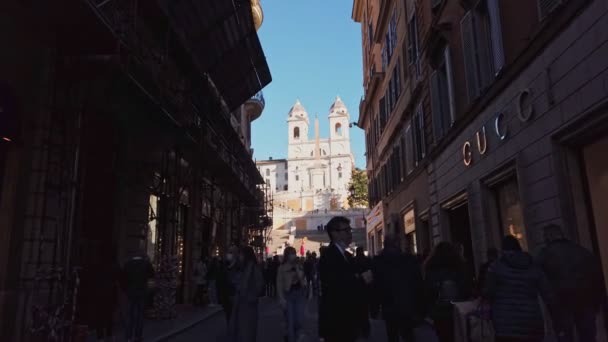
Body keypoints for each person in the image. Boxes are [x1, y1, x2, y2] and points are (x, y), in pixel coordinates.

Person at [536, 224, 604, 342]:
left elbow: (540, 280)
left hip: (561, 303)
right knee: (588, 336)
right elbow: (597, 277)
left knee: (565, 336)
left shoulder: (545, 255)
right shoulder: (582, 251)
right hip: (586, 301)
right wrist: (596, 302)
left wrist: (550, 303)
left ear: (548, 238)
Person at [484, 235, 552, 342]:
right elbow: (547, 292)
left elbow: (489, 292)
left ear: (503, 250)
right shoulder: (533, 265)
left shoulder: (496, 267)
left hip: (505, 324)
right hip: (531, 322)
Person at [319, 216, 372, 342]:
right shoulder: (328, 257)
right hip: (337, 322)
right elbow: (337, 287)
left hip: (351, 321)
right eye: (346, 230)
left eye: (350, 230)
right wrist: (361, 279)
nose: (350, 233)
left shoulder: (347, 255)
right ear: (334, 233)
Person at [372, 234, 424, 342]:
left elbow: (375, 287)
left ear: (385, 244)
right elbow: (418, 284)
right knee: (408, 335)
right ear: (397, 244)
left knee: (392, 335)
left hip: (388, 305)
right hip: (406, 303)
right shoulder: (409, 260)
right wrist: (420, 307)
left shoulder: (378, 261)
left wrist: (375, 308)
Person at [424, 242, 472, 342]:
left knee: (444, 337)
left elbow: (428, 293)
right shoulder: (460, 267)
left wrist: (430, 311)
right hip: (459, 310)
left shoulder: (431, 270)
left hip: (440, 313)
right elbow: (467, 290)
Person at [226, 246, 265, 342]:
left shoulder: (253, 268)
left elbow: (259, 286)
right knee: (238, 331)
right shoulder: (240, 267)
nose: (240, 256)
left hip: (248, 304)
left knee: (247, 333)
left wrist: (251, 296)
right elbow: (233, 281)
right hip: (240, 303)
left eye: (241, 254)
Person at [120, 252, 154, 342]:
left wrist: (125, 290)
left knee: (129, 315)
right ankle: (138, 336)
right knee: (139, 315)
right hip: (141, 292)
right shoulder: (146, 263)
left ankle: (128, 337)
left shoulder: (127, 264)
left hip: (130, 293)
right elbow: (152, 275)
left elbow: (122, 279)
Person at [277, 246, 308, 342]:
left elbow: (304, 280)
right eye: (291, 253)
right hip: (288, 295)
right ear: (287, 255)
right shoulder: (281, 268)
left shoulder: (299, 265)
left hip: (299, 294)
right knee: (290, 320)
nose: (293, 256)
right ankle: (290, 338)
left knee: (299, 319)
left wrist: (298, 271)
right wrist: (281, 298)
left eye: (294, 253)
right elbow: (279, 283)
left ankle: (299, 335)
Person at [353, 246, 373, 339]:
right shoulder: (367, 260)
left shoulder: (353, 261)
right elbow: (371, 275)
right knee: (365, 311)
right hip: (366, 289)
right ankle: (366, 330)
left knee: (357, 311)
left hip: (356, 290)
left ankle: (358, 329)